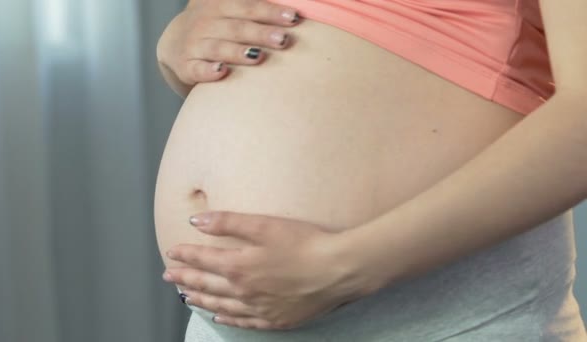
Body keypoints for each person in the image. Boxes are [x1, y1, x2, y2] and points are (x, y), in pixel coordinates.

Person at [154, 0, 587, 340]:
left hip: (454, 321)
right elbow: (221, 28)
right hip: (221, 327)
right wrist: (179, 41)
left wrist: (343, 269)